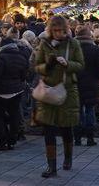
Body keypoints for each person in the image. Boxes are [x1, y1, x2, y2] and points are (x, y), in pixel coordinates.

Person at [34, 15, 84, 178]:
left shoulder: (73, 43)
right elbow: (36, 66)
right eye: (54, 31)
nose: (57, 34)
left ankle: (68, 158)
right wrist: (47, 66)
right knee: (48, 129)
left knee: (66, 128)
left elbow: (81, 65)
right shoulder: (44, 44)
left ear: (65, 30)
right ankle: (51, 166)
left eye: (60, 31)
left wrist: (67, 64)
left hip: (67, 90)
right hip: (48, 90)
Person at [74, 26, 99, 147]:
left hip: (76, 83)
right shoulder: (95, 49)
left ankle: (77, 138)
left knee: (78, 111)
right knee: (90, 110)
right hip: (91, 83)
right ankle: (90, 137)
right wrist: (97, 78)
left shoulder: (73, 49)